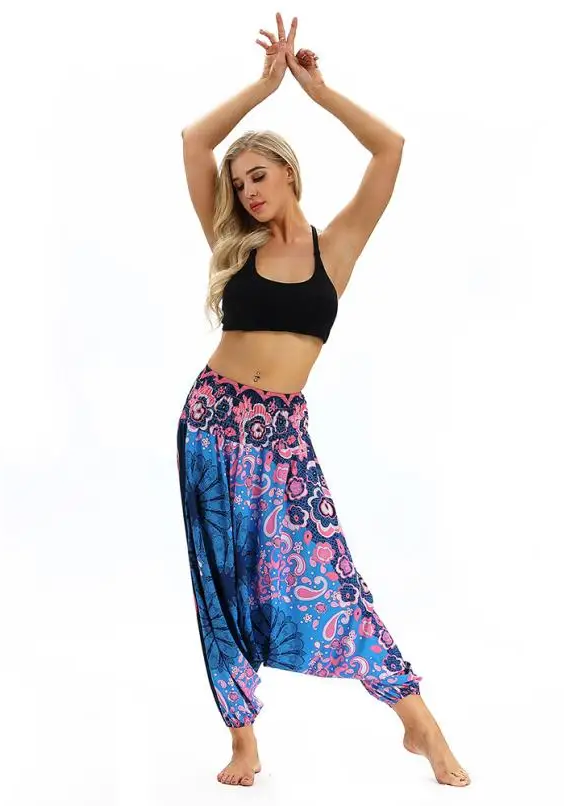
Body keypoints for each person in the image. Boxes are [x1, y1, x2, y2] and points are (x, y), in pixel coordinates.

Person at [176, 12, 470, 789]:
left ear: (288, 172)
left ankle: (418, 722)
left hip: (280, 436)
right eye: (240, 183)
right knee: (222, 585)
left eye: (258, 175)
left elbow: (390, 149)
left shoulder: (333, 249)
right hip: (210, 426)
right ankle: (244, 743)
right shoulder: (231, 243)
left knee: (330, 571)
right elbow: (194, 143)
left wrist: (314, 91)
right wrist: (261, 86)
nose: (247, 191)